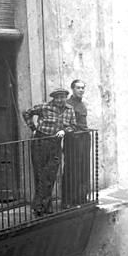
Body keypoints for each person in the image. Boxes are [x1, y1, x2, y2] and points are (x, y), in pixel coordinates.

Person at [23, 87, 75, 216]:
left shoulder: (70, 110)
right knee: (40, 174)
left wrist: (64, 131)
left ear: (65, 98)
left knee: (50, 175)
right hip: (40, 142)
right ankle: (43, 206)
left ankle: (41, 204)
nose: (59, 100)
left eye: (62, 97)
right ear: (53, 98)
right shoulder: (44, 107)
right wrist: (33, 128)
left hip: (55, 144)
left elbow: (73, 125)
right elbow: (27, 113)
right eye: (57, 97)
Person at [62, 79, 91, 208]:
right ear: (72, 89)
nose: (81, 90)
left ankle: (81, 197)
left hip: (84, 138)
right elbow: (65, 123)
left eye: (83, 88)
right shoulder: (68, 104)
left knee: (84, 168)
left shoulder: (82, 104)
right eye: (78, 88)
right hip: (73, 139)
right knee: (72, 168)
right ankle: (68, 200)